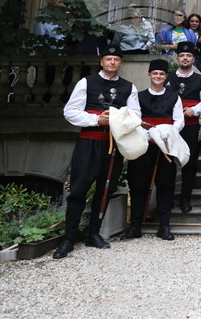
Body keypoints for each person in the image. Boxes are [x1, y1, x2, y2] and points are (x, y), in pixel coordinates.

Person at [53, 46, 139, 259]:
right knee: (78, 189)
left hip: (113, 146)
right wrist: (95, 120)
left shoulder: (129, 87)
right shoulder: (87, 82)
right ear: (102, 62)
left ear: (120, 63)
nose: (112, 62)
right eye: (108, 59)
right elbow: (70, 112)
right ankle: (68, 239)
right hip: (89, 143)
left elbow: (135, 116)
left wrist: (116, 119)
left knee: (105, 191)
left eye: (116, 59)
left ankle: (94, 234)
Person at [122, 58, 183, 242]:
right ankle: (135, 226)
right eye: (155, 73)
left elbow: (179, 121)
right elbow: (135, 120)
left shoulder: (174, 96)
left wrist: (165, 134)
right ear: (149, 75)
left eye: (161, 74)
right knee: (138, 184)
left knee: (166, 185)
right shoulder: (137, 96)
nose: (158, 76)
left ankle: (164, 226)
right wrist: (150, 135)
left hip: (166, 146)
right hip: (143, 145)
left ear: (166, 76)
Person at [165, 41, 201, 213]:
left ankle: (185, 199)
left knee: (189, 163)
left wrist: (195, 110)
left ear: (193, 58)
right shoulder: (168, 77)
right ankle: (167, 199)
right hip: (171, 127)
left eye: (188, 55)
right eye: (182, 55)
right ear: (177, 58)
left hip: (191, 126)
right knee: (168, 163)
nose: (185, 58)